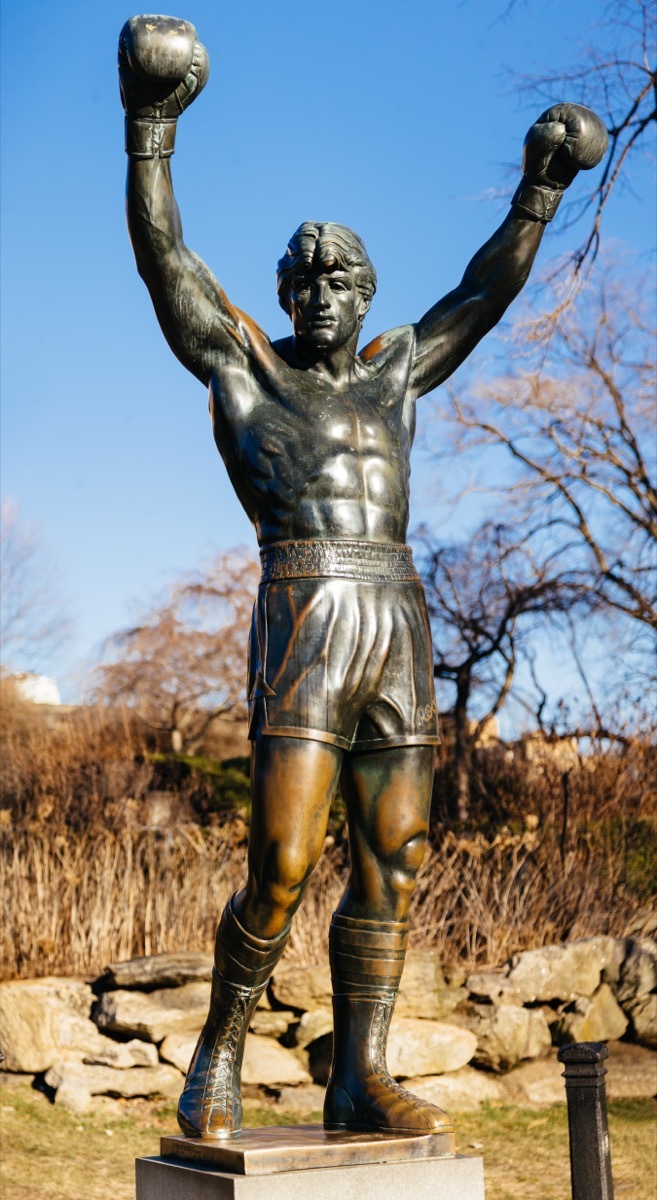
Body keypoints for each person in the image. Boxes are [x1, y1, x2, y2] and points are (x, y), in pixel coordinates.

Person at [118, 15, 607, 1140]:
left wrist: (538, 192)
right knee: (283, 864)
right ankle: (217, 1060)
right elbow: (166, 262)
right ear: (286, 297)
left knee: (401, 853)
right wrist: (151, 130)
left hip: (397, 609)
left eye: (346, 279)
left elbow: (483, 294)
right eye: (308, 279)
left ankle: (359, 1074)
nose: (326, 294)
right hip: (305, 603)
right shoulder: (245, 366)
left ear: (367, 292)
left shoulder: (396, 376)